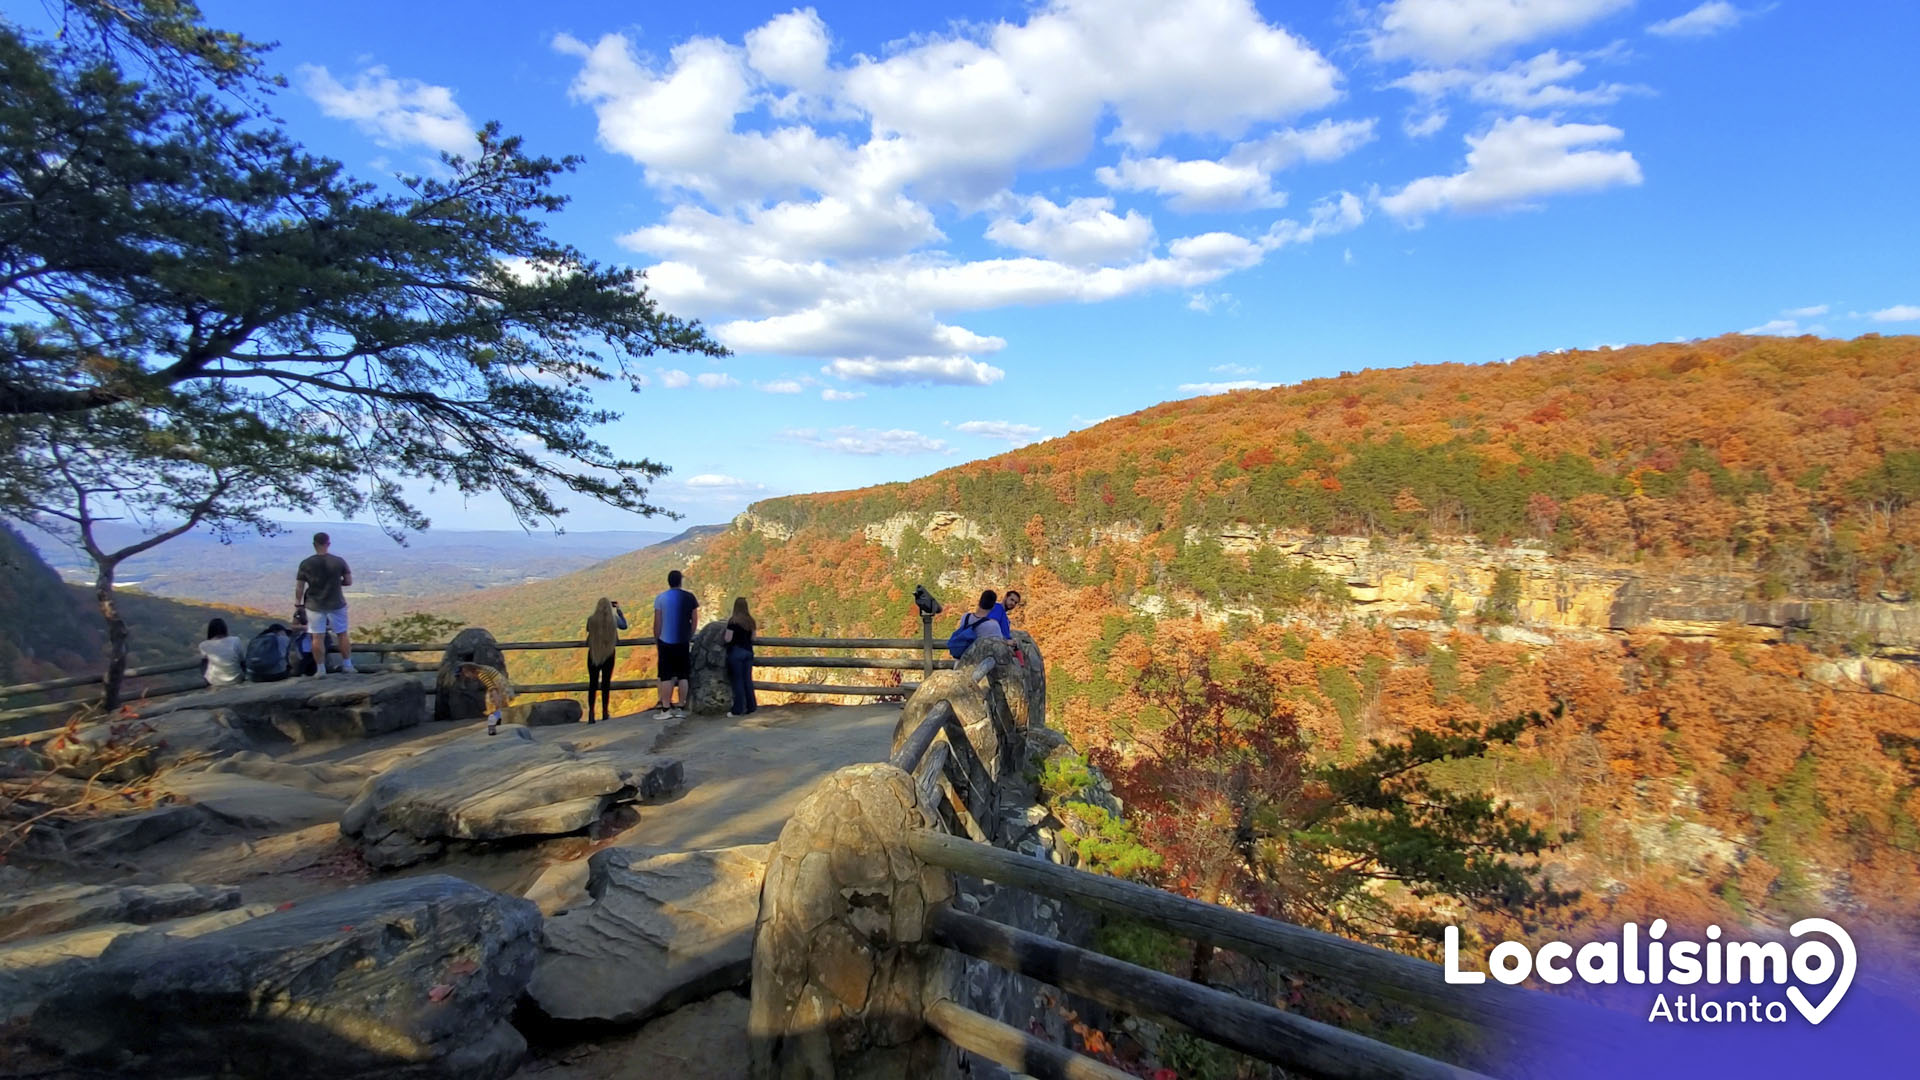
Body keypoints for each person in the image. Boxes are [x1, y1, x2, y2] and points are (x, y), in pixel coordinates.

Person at [294, 532, 355, 675]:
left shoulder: (306, 563)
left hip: (314, 605)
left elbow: (300, 586)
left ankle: (320, 669)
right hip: (337, 602)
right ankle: (347, 665)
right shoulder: (339, 561)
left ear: (314, 544)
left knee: (317, 636)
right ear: (328, 544)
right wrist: (335, 583)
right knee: (342, 634)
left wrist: (297, 603)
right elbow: (348, 581)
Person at [652, 569, 699, 719]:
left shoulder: (661, 598)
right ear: (680, 581)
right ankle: (681, 707)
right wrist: (689, 634)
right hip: (683, 640)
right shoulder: (690, 597)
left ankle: (665, 709)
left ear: (669, 581)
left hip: (665, 641)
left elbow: (657, 622)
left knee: (666, 676)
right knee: (683, 674)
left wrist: (657, 639)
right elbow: (695, 619)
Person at [585, 597, 627, 724]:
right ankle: (604, 711)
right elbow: (624, 626)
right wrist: (618, 610)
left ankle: (591, 713)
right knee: (606, 683)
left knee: (592, 684)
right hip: (609, 653)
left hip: (594, 653)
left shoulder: (591, 619)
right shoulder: (614, 619)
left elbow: (588, 629)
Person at [722, 597, 757, 717]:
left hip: (736, 652)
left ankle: (738, 709)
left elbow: (728, 638)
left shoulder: (733, 621)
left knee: (738, 681)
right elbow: (753, 638)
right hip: (748, 652)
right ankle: (751, 706)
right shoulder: (751, 621)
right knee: (748, 680)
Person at [948, 589, 1006, 658]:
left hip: (962, 659)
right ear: (993, 606)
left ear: (979, 602)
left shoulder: (965, 617)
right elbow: (999, 645)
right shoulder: (993, 625)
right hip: (979, 661)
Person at [199, 618, 247, 687]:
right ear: (225, 629)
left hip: (215, 681)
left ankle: (207, 680)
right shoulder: (235, 640)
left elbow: (204, 664)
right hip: (237, 679)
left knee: (204, 661)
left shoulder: (203, 645)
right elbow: (242, 660)